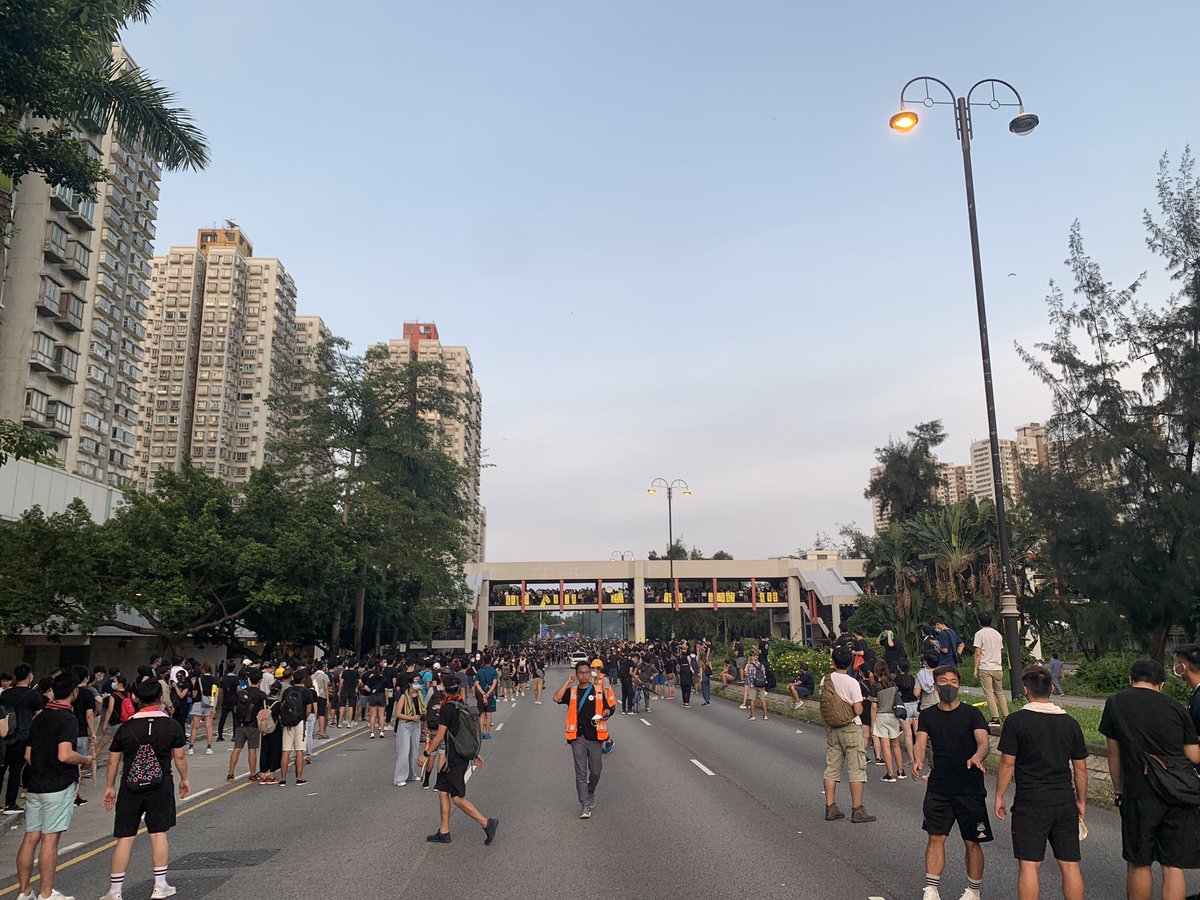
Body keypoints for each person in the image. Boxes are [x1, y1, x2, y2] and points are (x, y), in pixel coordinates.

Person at [1099, 658, 1200, 900]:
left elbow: (1114, 753)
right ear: (1162, 684)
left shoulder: (1116, 703)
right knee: (1173, 864)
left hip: (1139, 792)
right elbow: (1193, 755)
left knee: (1139, 862)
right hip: (1177, 792)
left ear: (1131, 679)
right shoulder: (1175, 707)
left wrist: (1118, 789)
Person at [994, 666, 1088, 900]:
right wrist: (1081, 801)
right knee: (1069, 865)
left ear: (1025, 690)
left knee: (1029, 866)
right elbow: (1081, 769)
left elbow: (1007, 763)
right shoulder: (1070, 723)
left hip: (1031, 803)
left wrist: (999, 795)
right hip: (1064, 800)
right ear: (1052, 688)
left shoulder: (1016, 721)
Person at [100, 678, 189, 900]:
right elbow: (179, 756)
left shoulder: (126, 726)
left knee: (125, 837)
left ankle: (115, 890)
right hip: (161, 784)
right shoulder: (171, 725)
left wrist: (110, 786)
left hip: (130, 785)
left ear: (136, 698)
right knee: (158, 833)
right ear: (160, 698)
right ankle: (160, 885)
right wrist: (184, 779)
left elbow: (113, 761)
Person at [912, 665, 992, 900]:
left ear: (959, 685)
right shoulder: (928, 715)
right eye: (944, 681)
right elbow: (920, 741)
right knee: (936, 838)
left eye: (954, 681)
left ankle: (973, 891)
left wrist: (978, 757)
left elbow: (984, 743)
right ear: (935, 685)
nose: (949, 685)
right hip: (939, 787)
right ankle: (931, 889)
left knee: (972, 842)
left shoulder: (972, 713)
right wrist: (917, 760)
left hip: (970, 788)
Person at [15, 673, 91, 900]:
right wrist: (85, 760)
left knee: (31, 837)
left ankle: (24, 891)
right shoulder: (67, 718)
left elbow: (28, 755)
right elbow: (65, 754)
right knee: (50, 839)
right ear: (74, 691)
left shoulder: (41, 717)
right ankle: (46, 893)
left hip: (36, 783)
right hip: (58, 784)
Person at [417, 673, 498, 844]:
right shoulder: (461, 704)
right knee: (442, 791)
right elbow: (466, 733)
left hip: (455, 759)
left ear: (444, 689)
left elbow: (439, 737)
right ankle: (444, 831)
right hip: (454, 758)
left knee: (457, 797)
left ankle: (486, 823)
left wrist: (425, 755)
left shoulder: (447, 708)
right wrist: (474, 753)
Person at [820, 646, 876, 824]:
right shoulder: (852, 682)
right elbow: (858, 709)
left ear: (833, 661)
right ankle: (857, 809)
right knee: (856, 769)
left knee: (831, 768)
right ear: (850, 662)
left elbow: (825, 704)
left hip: (833, 728)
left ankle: (830, 807)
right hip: (851, 728)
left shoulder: (825, 680)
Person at [554, 660, 616, 818]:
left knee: (596, 770)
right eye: (581, 673)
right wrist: (567, 683)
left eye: (586, 673)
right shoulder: (572, 691)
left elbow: (609, 707)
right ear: (576, 675)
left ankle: (591, 791)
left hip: (595, 737)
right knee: (580, 772)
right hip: (578, 738)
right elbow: (556, 698)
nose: (584, 675)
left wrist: (606, 713)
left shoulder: (598, 691)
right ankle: (584, 804)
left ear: (590, 674)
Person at [1, 664, 46, 815]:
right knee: (15, 770)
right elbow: (39, 714)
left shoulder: (5, 694)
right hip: (22, 736)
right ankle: (10, 803)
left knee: (2, 769)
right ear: (29, 677)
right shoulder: (32, 695)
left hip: (5, 735)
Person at [226, 670, 265, 783]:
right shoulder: (261, 695)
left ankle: (231, 773)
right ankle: (252, 773)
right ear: (260, 680)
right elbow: (263, 712)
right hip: (253, 725)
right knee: (252, 750)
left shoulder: (242, 693)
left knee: (236, 749)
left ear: (249, 679)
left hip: (240, 724)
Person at [973, 612, 1008, 725]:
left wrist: (975, 669)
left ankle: (995, 718)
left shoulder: (979, 634)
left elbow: (977, 653)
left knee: (989, 693)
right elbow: (1000, 650)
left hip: (985, 667)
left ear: (980, 621)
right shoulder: (997, 634)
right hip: (997, 667)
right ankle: (1006, 716)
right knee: (999, 692)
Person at [277, 670, 311, 786]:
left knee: (285, 751)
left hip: (287, 723)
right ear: (302, 680)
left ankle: (283, 778)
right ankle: (299, 778)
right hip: (300, 722)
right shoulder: (306, 692)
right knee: (299, 751)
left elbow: (282, 706)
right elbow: (308, 710)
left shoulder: (287, 691)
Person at [871, 663, 904, 783]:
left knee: (886, 746)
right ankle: (900, 771)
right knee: (896, 744)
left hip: (881, 716)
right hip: (893, 716)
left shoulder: (876, 686)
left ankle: (890, 774)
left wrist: (873, 722)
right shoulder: (893, 684)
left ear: (875, 672)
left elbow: (874, 706)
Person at [393, 678, 425, 786]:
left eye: (419, 682)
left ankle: (411, 774)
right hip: (405, 725)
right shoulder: (404, 696)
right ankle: (399, 778)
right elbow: (397, 714)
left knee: (414, 751)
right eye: (415, 682)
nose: (418, 684)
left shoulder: (420, 696)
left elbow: (423, 709)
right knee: (404, 751)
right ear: (410, 684)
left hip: (416, 725)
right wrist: (411, 717)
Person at [474, 656, 499, 739]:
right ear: (491, 661)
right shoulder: (493, 671)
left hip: (481, 695)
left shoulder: (479, 671)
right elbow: (494, 683)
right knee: (489, 713)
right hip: (490, 696)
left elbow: (477, 683)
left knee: (482, 714)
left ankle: (480, 732)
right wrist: (488, 693)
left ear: (483, 662)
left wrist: (482, 693)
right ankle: (487, 733)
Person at [744, 650, 769, 721]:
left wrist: (753, 685)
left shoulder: (749, 665)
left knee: (752, 700)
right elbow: (764, 675)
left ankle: (752, 715)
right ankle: (765, 715)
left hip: (753, 685)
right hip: (761, 685)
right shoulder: (762, 665)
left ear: (750, 657)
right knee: (763, 700)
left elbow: (748, 676)